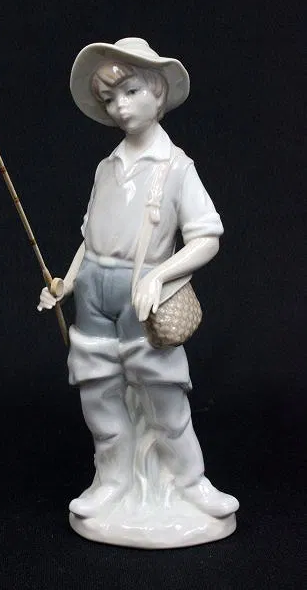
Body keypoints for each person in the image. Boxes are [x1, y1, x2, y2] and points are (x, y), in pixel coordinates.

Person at [38, 38, 239, 525]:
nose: (119, 107)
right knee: (97, 390)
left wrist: (162, 275)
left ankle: (191, 481)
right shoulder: (106, 168)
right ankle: (112, 479)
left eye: (130, 92)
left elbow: (207, 237)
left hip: (141, 297)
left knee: (164, 394)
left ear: (158, 93)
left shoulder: (177, 168)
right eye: (110, 99)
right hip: (93, 292)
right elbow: (89, 237)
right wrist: (67, 283)